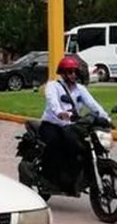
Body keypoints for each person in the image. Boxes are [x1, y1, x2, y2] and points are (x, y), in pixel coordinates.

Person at [39, 56, 109, 192]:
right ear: (63, 73)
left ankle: (76, 175)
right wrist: (59, 112)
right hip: (52, 124)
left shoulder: (80, 89)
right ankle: (49, 178)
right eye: (70, 72)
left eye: (74, 72)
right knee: (56, 143)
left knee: (83, 145)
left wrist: (106, 117)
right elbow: (53, 102)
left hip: (71, 125)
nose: (73, 75)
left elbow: (93, 105)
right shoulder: (53, 86)